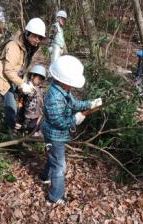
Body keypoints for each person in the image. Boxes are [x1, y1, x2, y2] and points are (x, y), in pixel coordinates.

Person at [39, 55, 102, 204]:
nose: (72, 86)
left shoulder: (64, 90)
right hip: (54, 135)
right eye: (71, 83)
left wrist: (90, 104)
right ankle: (55, 197)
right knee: (60, 165)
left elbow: (74, 104)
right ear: (62, 80)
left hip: (56, 134)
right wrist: (75, 119)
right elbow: (59, 122)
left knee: (53, 157)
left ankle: (44, 177)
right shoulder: (54, 97)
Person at [0, 18, 46, 130]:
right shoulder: (14, 46)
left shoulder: (30, 47)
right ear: (27, 33)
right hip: (4, 79)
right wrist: (22, 84)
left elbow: (23, 66)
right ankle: (9, 133)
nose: (37, 40)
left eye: (40, 37)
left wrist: (26, 82)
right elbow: (8, 70)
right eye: (35, 36)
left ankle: (19, 123)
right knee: (11, 108)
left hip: (16, 77)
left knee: (23, 100)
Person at [21, 64, 47, 135]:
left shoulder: (39, 89)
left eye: (41, 79)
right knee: (31, 131)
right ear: (32, 76)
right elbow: (27, 93)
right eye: (39, 78)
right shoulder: (27, 87)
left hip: (37, 116)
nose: (40, 81)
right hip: (29, 117)